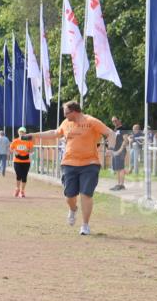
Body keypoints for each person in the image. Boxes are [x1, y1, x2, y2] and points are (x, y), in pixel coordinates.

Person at [23, 101, 114, 236]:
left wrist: (110, 149)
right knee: (69, 195)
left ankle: (85, 225)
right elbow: (54, 133)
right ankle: (73, 209)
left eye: (66, 113)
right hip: (69, 163)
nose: (65, 116)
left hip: (90, 163)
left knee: (86, 194)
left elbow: (110, 133)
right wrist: (33, 135)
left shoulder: (91, 121)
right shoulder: (66, 123)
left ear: (74, 111)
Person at [8, 127, 33, 198]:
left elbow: (31, 151)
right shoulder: (15, 141)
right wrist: (14, 151)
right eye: (20, 132)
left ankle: (22, 191)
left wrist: (27, 150)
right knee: (18, 175)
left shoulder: (29, 141)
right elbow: (10, 149)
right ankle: (17, 189)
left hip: (26, 161)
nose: (21, 133)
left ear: (25, 133)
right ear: (18, 132)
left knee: (24, 176)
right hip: (17, 160)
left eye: (23, 132)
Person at [108, 116, 127, 191]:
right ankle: (119, 184)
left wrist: (120, 150)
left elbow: (125, 140)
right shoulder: (115, 130)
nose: (114, 122)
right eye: (113, 121)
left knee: (121, 167)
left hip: (120, 150)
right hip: (115, 150)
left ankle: (121, 184)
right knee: (117, 168)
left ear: (119, 120)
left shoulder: (123, 129)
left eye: (115, 120)